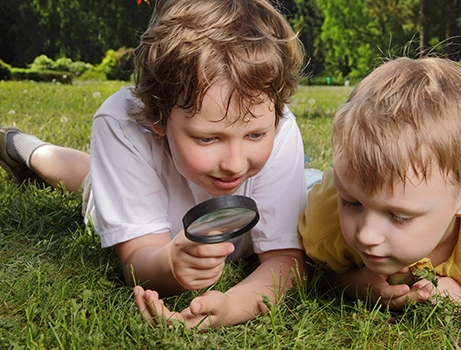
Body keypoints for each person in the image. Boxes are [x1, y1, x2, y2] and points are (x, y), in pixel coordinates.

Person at [0, 0, 310, 328]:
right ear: (156, 116)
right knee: (89, 183)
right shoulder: (121, 122)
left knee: (96, 174)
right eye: (208, 139)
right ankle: (25, 148)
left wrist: (230, 306)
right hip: (128, 190)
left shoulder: (278, 124)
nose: (234, 164)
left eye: (255, 135)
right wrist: (170, 265)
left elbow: (287, 262)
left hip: (148, 181)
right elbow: (139, 259)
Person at [298, 57, 461, 310]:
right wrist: (355, 285)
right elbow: (308, 268)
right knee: (304, 182)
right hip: (317, 186)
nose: (366, 234)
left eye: (399, 216)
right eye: (352, 202)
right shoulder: (326, 218)